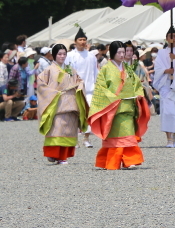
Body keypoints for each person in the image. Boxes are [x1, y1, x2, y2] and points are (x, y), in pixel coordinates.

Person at [88, 41, 150, 170]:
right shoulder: (106, 68)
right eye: (119, 52)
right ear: (113, 53)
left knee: (127, 132)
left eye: (124, 52)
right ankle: (112, 161)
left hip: (128, 105)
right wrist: (114, 99)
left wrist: (138, 94)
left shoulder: (127, 68)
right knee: (116, 135)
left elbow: (136, 83)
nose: (122, 55)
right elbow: (101, 88)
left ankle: (129, 160)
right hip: (113, 107)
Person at [36, 44, 88, 164]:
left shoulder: (70, 69)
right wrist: (54, 93)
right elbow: (41, 84)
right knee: (57, 130)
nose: (62, 56)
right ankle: (54, 154)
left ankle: (62, 156)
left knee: (69, 130)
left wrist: (79, 85)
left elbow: (79, 81)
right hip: (57, 103)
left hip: (71, 104)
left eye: (64, 54)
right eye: (59, 54)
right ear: (54, 55)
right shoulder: (49, 70)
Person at [65, 27, 99, 148]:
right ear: (75, 41)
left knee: (88, 114)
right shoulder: (70, 56)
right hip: (75, 90)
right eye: (80, 39)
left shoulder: (91, 56)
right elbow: (67, 72)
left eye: (84, 39)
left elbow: (95, 73)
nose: (83, 41)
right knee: (75, 114)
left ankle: (86, 138)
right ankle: (74, 139)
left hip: (90, 89)